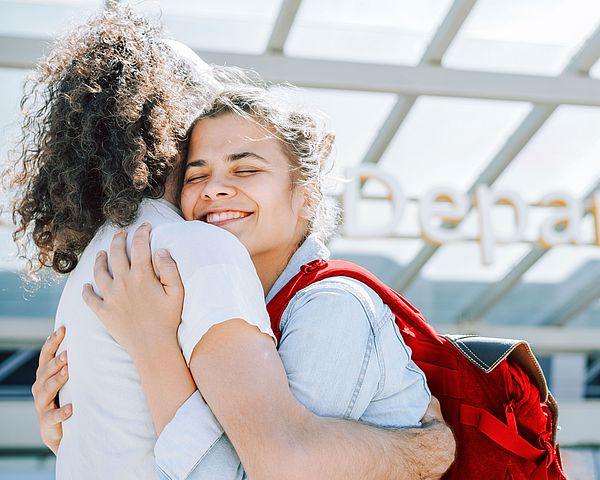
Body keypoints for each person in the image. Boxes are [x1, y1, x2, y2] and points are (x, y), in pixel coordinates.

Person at [18, 6, 455, 480]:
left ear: (306, 196)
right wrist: (427, 449)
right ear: (174, 124)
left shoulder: (104, 258)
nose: (218, 188)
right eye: (198, 170)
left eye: (246, 168)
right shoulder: (195, 252)